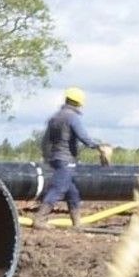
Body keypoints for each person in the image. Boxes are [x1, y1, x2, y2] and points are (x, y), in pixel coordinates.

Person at [32, 87, 112, 229]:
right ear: (79, 103)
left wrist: (46, 156)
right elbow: (84, 137)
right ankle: (39, 219)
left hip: (55, 158)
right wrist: (99, 146)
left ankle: (77, 223)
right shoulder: (72, 117)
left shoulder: (55, 117)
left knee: (72, 192)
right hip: (66, 160)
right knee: (58, 188)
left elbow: (45, 140)